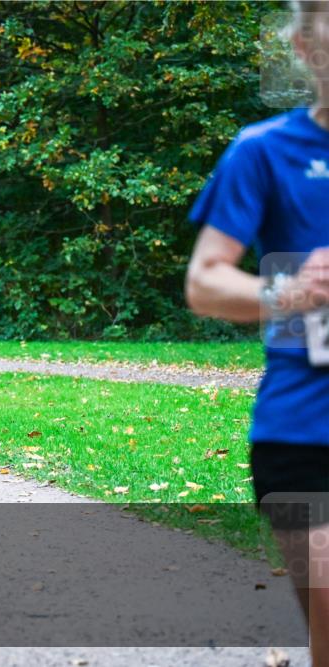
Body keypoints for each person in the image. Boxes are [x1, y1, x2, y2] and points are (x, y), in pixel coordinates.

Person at [185, 3, 328, 663]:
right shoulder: (264, 151)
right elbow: (205, 281)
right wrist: (290, 291)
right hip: (304, 432)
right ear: (304, 44)